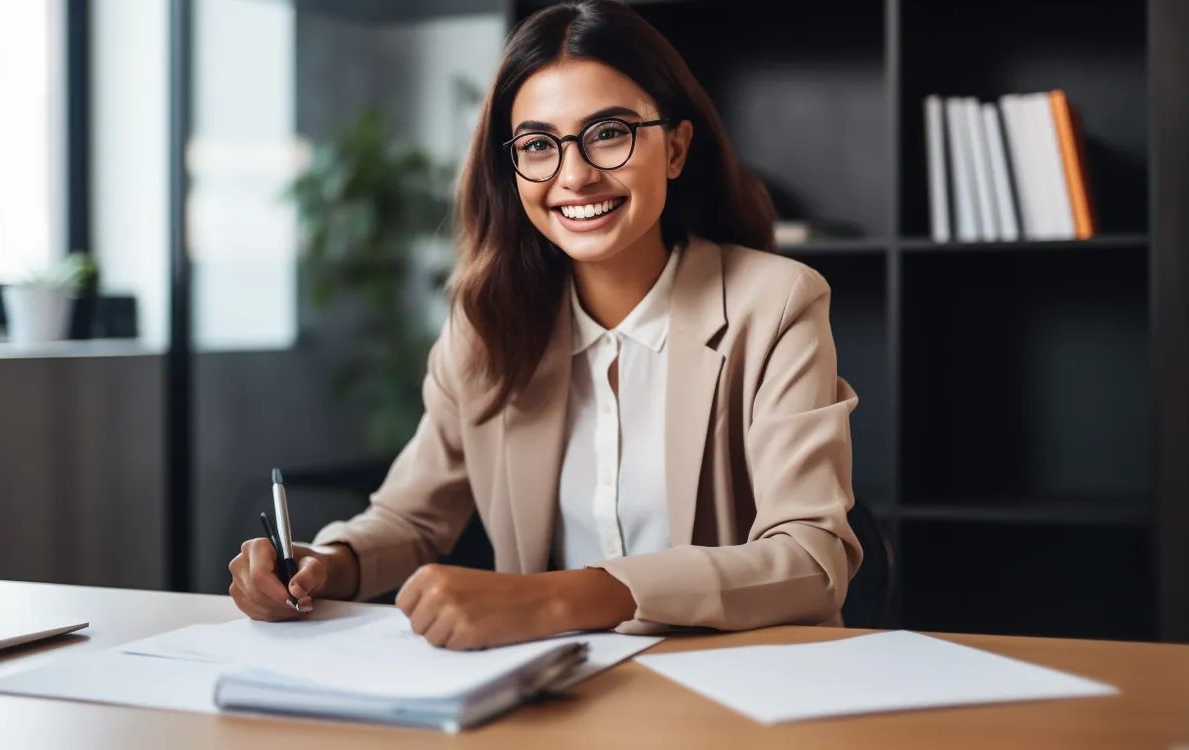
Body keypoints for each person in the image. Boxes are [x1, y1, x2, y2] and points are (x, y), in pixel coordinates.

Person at [228, 0, 863, 650]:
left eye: (609, 132)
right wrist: (325, 564)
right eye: (537, 145)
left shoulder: (776, 303)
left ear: (674, 148)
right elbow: (410, 517)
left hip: (733, 690)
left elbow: (812, 561)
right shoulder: (486, 325)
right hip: (555, 690)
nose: (575, 175)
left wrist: (565, 595)